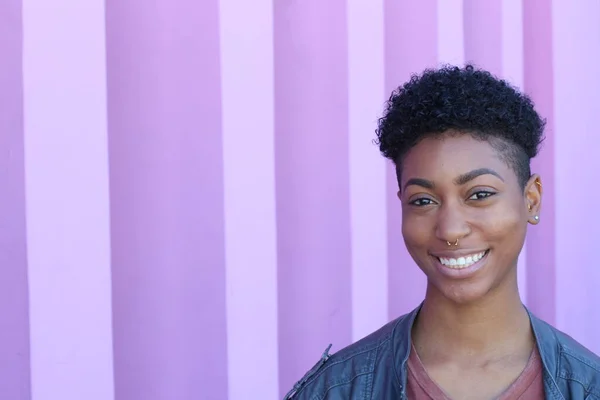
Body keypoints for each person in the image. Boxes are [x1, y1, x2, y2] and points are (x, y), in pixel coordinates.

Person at [283, 65, 600, 399]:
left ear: (531, 199)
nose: (450, 229)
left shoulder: (587, 387)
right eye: (423, 200)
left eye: (479, 194)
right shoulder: (338, 390)